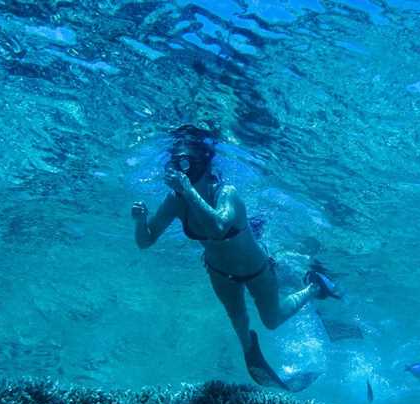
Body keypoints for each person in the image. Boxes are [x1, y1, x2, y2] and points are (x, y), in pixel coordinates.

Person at [131, 125, 340, 390]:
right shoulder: (176, 200)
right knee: (238, 318)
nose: (183, 171)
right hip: (219, 273)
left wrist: (188, 191)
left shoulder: (227, 193)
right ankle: (250, 352)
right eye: (178, 164)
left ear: (204, 165)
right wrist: (139, 222)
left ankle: (313, 287)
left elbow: (219, 226)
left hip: (257, 269)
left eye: (188, 164)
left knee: (272, 320)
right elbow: (146, 241)